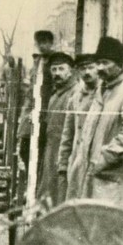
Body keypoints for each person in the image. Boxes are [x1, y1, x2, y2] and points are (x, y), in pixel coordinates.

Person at [67, 37, 123, 214]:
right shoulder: (102, 89)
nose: (100, 68)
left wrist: (104, 158)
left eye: (106, 63)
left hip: (111, 175)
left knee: (110, 223)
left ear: (119, 64)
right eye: (98, 63)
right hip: (90, 172)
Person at [36, 51, 78, 206]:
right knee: (48, 194)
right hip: (51, 153)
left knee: (63, 196)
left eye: (61, 69)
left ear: (70, 71)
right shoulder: (54, 96)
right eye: (54, 70)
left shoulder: (76, 93)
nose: (57, 73)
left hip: (66, 155)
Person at [57, 52, 98, 202]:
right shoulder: (75, 99)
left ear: (98, 68)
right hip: (77, 162)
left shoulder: (105, 96)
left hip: (97, 163)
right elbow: (67, 134)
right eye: (82, 68)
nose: (87, 72)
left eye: (91, 67)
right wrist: (63, 164)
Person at [17, 30, 55, 168]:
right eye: (39, 43)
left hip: (46, 110)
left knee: (42, 150)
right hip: (31, 108)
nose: (42, 46)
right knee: (25, 149)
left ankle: (38, 177)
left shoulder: (55, 62)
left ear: (51, 43)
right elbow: (30, 88)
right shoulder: (37, 62)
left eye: (45, 42)